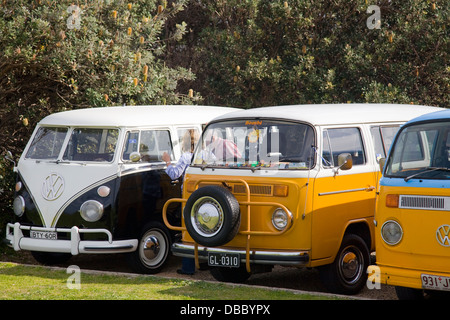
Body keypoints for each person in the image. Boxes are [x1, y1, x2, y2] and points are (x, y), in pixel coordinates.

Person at [162, 129, 199, 275]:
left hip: (189, 197)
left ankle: (188, 267)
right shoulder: (208, 155)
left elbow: (174, 174)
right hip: (205, 197)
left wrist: (167, 162)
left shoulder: (186, 157)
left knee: (188, 231)